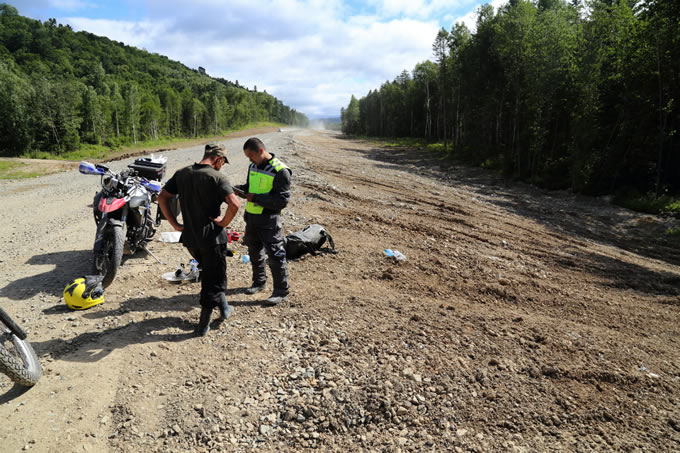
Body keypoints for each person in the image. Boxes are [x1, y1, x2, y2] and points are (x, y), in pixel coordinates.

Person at [158, 142, 240, 336]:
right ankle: (203, 324)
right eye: (223, 162)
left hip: (191, 239)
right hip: (213, 239)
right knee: (212, 280)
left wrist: (175, 224)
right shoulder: (217, 177)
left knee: (214, 274)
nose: (222, 166)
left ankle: (225, 308)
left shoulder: (182, 173)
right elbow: (234, 204)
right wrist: (223, 223)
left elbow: (162, 197)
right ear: (218, 159)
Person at [234, 137, 291, 305]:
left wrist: (256, 198)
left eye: (251, 156)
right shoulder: (253, 166)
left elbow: (282, 201)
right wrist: (238, 190)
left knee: (275, 255)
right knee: (254, 252)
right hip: (251, 219)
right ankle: (259, 282)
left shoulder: (281, 171)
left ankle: (281, 291)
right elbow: (250, 187)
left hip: (269, 221)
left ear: (260, 151)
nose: (250, 160)